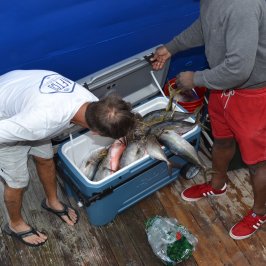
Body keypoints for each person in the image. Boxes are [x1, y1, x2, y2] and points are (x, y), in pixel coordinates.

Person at [152, 0, 266, 240]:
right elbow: (206, 25)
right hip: (222, 87)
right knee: (222, 141)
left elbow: (239, 69)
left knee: (258, 163)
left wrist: (196, 78)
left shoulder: (243, 6)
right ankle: (217, 185)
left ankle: (261, 211)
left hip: (253, 94)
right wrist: (172, 47)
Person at [0, 69, 136, 247]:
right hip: (6, 119)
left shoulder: (95, 104)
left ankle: (52, 201)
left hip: (21, 98)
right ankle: (15, 225)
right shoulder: (41, 122)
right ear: (96, 133)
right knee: (17, 182)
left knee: (46, 159)